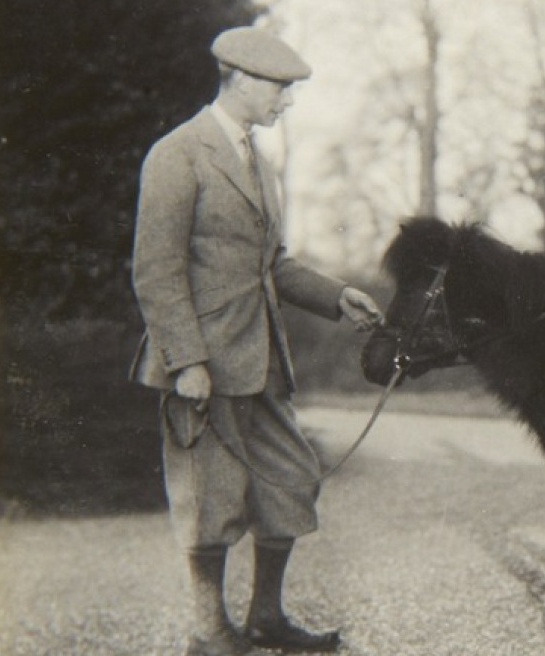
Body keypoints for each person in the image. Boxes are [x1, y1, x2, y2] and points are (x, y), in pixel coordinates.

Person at [130, 26, 382, 656]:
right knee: (209, 499)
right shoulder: (177, 153)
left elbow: (274, 264)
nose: (287, 102)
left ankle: (266, 618)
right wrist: (186, 359)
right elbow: (155, 271)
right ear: (241, 78)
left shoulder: (257, 163)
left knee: (292, 478)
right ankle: (209, 633)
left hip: (260, 361)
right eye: (280, 89)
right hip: (204, 364)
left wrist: (335, 295)